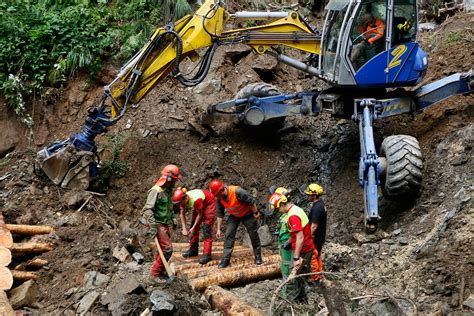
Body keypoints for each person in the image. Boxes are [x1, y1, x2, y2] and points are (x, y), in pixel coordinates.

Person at [269, 192, 314, 302]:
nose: (278, 211)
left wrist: (296, 258)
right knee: (300, 275)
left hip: (303, 249)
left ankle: (288, 304)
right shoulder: (296, 209)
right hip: (306, 247)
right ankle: (302, 299)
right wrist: (289, 241)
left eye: (278, 208)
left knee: (291, 277)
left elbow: (300, 237)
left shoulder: (292, 216)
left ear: (282, 205)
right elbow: (296, 233)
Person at [209, 180, 263, 268]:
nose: (216, 197)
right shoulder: (219, 199)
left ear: (221, 190)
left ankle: (257, 256)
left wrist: (256, 213)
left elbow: (251, 202)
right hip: (234, 215)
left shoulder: (237, 191)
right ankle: (225, 259)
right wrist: (218, 229)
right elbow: (219, 214)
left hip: (247, 214)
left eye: (216, 195)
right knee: (228, 234)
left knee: (253, 234)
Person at [141, 164, 182, 279]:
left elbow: (168, 207)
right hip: (157, 222)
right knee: (168, 249)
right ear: (169, 179)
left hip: (164, 223)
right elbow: (147, 209)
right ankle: (154, 274)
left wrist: (172, 218)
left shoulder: (168, 191)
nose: (175, 182)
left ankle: (162, 270)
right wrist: (153, 225)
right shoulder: (156, 191)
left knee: (163, 249)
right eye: (174, 180)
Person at [172, 187, 216, 264]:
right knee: (193, 226)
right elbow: (182, 213)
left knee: (207, 229)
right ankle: (193, 250)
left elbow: (200, 214)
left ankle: (207, 254)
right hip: (199, 206)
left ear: (185, 199)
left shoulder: (196, 200)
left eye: (179, 203)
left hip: (209, 203)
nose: (179, 205)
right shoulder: (182, 201)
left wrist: (193, 227)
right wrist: (184, 229)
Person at [268, 187, 292, 297]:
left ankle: (286, 291)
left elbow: (296, 233)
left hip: (288, 244)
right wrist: (278, 231)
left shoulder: (291, 213)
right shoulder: (283, 214)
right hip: (283, 242)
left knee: (287, 265)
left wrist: (288, 241)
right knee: (284, 264)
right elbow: (281, 223)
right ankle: (286, 287)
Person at [305, 183, 327, 283]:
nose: (307, 196)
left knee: (313, 256)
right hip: (321, 235)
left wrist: (308, 237)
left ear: (314, 195)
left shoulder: (317, 208)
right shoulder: (321, 203)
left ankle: (315, 277)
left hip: (316, 236)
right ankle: (319, 273)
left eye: (309, 195)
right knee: (318, 255)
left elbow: (314, 225)